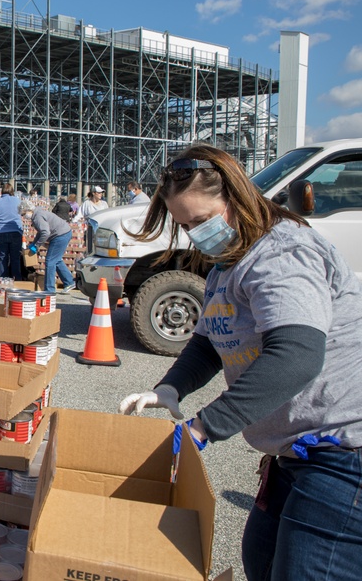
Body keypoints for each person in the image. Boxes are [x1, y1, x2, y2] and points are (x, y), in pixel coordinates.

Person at [118, 145, 362, 580]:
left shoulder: (282, 255)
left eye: (201, 220)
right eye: (185, 225)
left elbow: (297, 353)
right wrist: (170, 388)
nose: (195, 234)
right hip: (296, 451)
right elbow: (210, 340)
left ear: (237, 199)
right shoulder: (225, 268)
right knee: (262, 560)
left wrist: (204, 427)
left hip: (342, 451)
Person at [28, 206, 76, 293]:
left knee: (50, 261)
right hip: (64, 233)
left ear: (29, 210)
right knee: (56, 260)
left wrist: (37, 245)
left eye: (24, 214)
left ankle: (49, 289)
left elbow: (45, 232)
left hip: (60, 235)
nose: (24, 216)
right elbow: (40, 232)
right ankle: (69, 281)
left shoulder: (37, 217)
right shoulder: (38, 214)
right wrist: (33, 243)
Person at [0, 183, 24, 280]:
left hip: (1, 232)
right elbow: (23, 212)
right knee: (15, 257)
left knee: (3, 258)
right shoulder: (17, 201)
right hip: (16, 231)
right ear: (12, 191)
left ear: (2, 191)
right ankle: (17, 280)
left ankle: (3, 281)